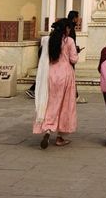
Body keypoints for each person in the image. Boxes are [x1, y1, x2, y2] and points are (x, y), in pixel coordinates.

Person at [33, 19, 78, 149]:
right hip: (65, 74)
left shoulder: (48, 40)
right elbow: (74, 59)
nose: (70, 30)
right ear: (66, 29)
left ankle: (47, 128)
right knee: (65, 105)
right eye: (69, 28)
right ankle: (61, 136)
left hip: (51, 74)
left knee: (51, 103)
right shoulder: (68, 41)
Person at [67, 10, 87, 104]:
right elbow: (70, 43)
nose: (79, 19)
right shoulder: (70, 29)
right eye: (77, 17)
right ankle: (75, 96)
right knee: (71, 76)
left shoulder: (70, 28)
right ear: (74, 18)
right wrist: (75, 51)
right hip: (68, 57)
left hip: (66, 56)